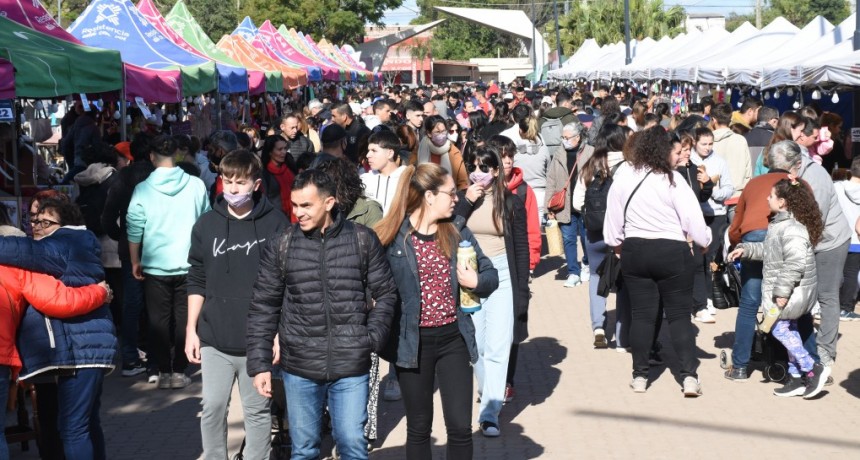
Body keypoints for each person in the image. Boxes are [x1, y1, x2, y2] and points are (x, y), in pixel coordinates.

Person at [246, 169, 398, 460]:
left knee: (352, 442)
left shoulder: (362, 240)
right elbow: (263, 305)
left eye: (306, 205)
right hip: (300, 365)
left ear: (329, 203)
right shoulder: (282, 244)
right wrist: (260, 363)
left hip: (351, 362)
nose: (298, 212)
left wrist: (371, 338)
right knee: (304, 449)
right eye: (294, 205)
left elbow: (387, 293)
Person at [373, 163, 499, 459]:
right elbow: (372, 286)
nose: (457, 198)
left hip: (454, 339)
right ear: (429, 196)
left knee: (459, 427)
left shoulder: (457, 229)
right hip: (412, 344)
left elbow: (491, 274)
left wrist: (477, 281)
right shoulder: (392, 238)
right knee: (418, 427)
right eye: (451, 193)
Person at [185, 150, 288, 460]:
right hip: (214, 336)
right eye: (226, 181)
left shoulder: (276, 224)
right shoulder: (206, 225)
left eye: (240, 183)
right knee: (213, 406)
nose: (231, 188)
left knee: (257, 410)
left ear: (256, 185)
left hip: (258, 339)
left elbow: (286, 284)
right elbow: (197, 279)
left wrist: (277, 333)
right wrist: (191, 329)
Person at [0, 198, 118, 459]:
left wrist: (98, 293)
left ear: (66, 224)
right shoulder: (72, 243)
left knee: (73, 428)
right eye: (34, 221)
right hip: (83, 348)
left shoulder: (65, 242)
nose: (38, 227)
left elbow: (22, 252)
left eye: (46, 221)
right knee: (85, 423)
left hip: (81, 349)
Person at [603, 127, 712, 396]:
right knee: (678, 317)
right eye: (673, 152)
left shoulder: (624, 179)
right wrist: (705, 240)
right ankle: (688, 377)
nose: (677, 157)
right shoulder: (673, 180)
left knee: (642, 316)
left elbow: (612, 228)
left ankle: (640, 375)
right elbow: (693, 221)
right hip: (671, 251)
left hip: (635, 251)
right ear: (662, 152)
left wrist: (620, 248)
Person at [727, 178, 828, 398]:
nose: (767, 198)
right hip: (789, 292)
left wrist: (782, 293)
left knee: (777, 328)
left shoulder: (791, 228)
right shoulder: (780, 224)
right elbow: (771, 251)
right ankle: (795, 378)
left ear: (782, 202)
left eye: (771, 196)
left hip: (791, 293)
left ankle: (811, 368)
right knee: (788, 330)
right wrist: (747, 250)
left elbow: (794, 263)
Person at [454, 145, 529, 437]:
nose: (478, 173)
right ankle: (488, 390)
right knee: (477, 345)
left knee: (500, 343)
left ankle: (490, 412)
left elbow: (520, 249)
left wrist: (522, 291)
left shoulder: (511, 202)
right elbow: (449, 230)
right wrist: (465, 204)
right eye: (473, 166)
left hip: (502, 274)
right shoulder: (461, 199)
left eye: (485, 168)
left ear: (497, 171)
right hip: (469, 273)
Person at [127, 135, 211, 390]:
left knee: (157, 321)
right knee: (185, 319)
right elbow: (206, 222)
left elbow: (134, 227)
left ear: (152, 157)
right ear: (176, 154)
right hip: (190, 263)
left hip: (155, 264)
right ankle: (180, 370)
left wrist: (134, 260)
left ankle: (163, 370)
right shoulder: (196, 185)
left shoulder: (143, 189)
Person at [725, 141, 798, 381]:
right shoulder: (797, 184)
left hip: (753, 235)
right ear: (794, 165)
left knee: (749, 303)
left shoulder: (754, 183)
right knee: (784, 303)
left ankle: (740, 367)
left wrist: (738, 243)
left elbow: (738, 220)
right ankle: (786, 362)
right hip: (786, 240)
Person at [100, 136, 156, 380]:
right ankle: (157, 357)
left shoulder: (123, 177)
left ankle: (130, 356)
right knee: (158, 304)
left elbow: (107, 217)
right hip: (158, 248)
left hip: (129, 248)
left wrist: (120, 235)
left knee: (131, 304)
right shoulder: (157, 176)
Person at [572, 124, 626, 346]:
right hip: (622, 233)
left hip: (594, 232)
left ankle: (598, 328)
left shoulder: (589, 166)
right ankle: (623, 336)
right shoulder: (629, 167)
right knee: (623, 281)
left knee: (595, 276)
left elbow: (576, 202)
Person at [690, 127, 734, 324]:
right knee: (696, 260)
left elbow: (728, 188)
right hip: (695, 214)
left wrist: (713, 189)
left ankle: (709, 297)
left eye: (710, 144)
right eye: (703, 144)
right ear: (694, 142)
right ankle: (697, 299)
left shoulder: (720, 162)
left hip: (716, 214)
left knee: (712, 259)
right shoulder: (688, 159)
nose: (707, 148)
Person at [834, 157, 860, 321]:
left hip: (837, 237)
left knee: (835, 273)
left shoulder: (837, 187)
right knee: (851, 274)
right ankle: (846, 308)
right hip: (856, 240)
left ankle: (830, 305)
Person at [417, 115, 468, 190]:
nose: (441, 135)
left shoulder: (454, 152)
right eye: (437, 132)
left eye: (444, 131)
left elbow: (462, 181)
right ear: (429, 133)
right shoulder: (420, 149)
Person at [260, 135, 294, 218]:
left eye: (285, 148)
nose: (284, 152)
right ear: (270, 152)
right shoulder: (264, 174)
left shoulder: (290, 166)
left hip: (294, 215)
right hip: (276, 217)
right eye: (279, 149)